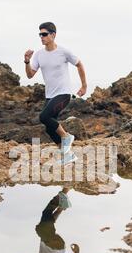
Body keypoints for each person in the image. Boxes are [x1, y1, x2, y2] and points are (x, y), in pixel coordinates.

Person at [24, 21, 87, 165]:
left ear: (53, 35)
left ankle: (66, 136)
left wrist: (84, 86)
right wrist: (27, 61)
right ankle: (68, 156)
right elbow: (30, 75)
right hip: (49, 95)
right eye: (40, 34)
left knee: (43, 116)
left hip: (64, 93)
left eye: (44, 34)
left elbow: (79, 64)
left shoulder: (63, 52)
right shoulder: (39, 55)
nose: (42, 37)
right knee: (49, 126)